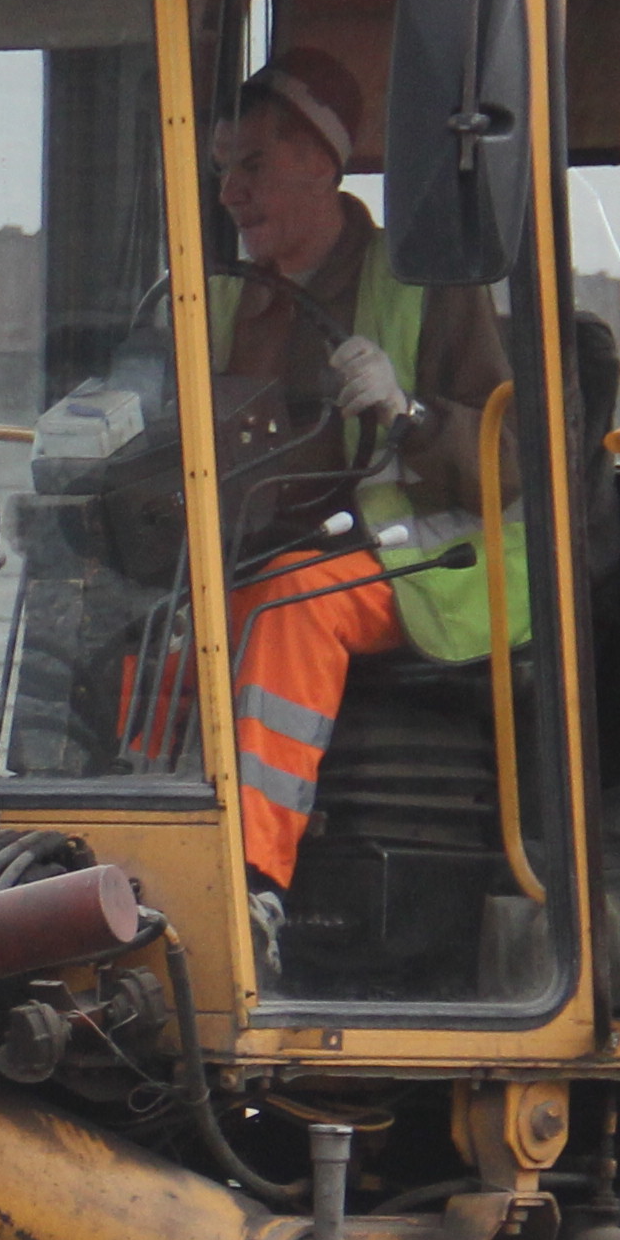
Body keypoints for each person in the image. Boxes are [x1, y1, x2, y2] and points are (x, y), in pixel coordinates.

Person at [189, 48, 516, 903]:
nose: (229, 194)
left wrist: (408, 416)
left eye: (252, 167)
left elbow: (510, 461)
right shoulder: (218, 298)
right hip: (284, 539)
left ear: (324, 166)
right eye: (223, 169)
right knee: (157, 617)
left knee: (287, 606)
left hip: (444, 557)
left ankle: (246, 884)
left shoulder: (427, 287)